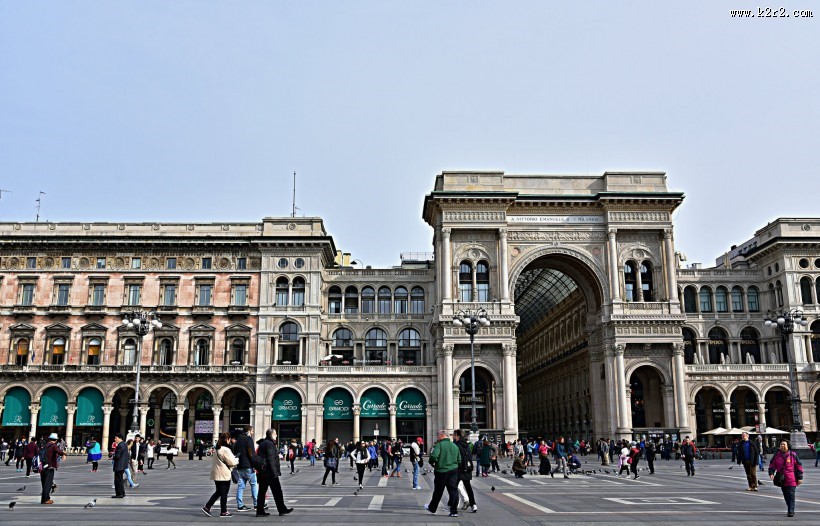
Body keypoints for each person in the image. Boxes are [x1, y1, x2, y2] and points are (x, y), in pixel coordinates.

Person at [256, 428, 292, 517]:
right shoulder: (269, 444)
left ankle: (260, 511)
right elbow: (271, 459)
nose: (276, 435)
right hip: (269, 472)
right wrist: (274, 473)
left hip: (263, 471)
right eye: (275, 434)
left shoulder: (263, 443)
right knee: (277, 491)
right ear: (271, 435)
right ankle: (282, 509)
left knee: (262, 491)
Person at [425, 429, 461, 518]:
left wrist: (433, 462)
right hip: (453, 470)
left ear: (441, 435)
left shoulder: (439, 445)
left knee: (438, 491)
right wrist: (454, 465)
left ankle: (432, 508)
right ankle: (454, 511)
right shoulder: (454, 446)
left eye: (438, 435)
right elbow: (459, 459)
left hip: (441, 471)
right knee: (453, 491)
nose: (437, 437)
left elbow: (433, 456)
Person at [202, 432, 238, 518]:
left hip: (217, 473)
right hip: (224, 474)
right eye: (229, 439)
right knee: (224, 493)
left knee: (219, 492)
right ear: (227, 439)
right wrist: (237, 459)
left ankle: (207, 507)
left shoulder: (217, 449)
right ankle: (223, 511)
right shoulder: (226, 449)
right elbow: (232, 462)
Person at [768, 439, 804, 518]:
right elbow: (772, 465)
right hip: (781, 478)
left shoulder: (793, 455)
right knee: (785, 495)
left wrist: (800, 477)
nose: (782, 446)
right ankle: (790, 508)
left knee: (791, 494)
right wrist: (771, 473)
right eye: (781, 444)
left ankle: (791, 511)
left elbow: (799, 466)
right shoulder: (777, 455)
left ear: (788, 446)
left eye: (784, 444)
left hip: (791, 477)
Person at [232, 425, 259, 512]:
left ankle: (240, 505)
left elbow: (235, 451)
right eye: (252, 431)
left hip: (240, 465)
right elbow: (251, 453)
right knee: (254, 484)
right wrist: (254, 464)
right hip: (248, 465)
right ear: (249, 431)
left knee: (241, 486)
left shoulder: (238, 439)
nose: (253, 433)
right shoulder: (248, 439)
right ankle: (256, 504)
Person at [38, 433, 65, 504]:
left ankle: (43, 499)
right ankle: (46, 499)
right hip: (49, 466)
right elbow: (58, 451)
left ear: (49, 439)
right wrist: (64, 454)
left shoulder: (45, 445)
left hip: (42, 466)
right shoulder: (53, 445)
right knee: (48, 483)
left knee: (44, 483)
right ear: (55, 440)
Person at [453, 430, 476, 512]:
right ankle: (474, 505)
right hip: (467, 468)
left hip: (459, 469)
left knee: (454, 487)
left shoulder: (456, 445)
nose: (453, 436)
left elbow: (455, 458)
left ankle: (455, 505)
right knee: (468, 487)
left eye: (454, 435)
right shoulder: (467, 445)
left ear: (457, 436)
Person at [111, 433, 129, 498]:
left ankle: (119, 494)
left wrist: (113, 456)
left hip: (119, 465)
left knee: (118, 480)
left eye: (116, 438)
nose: (115, 439)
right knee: (120, 480)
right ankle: (122, 493)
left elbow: (117, 456)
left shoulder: (120, 445)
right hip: (123, 465)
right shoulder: (124, 444)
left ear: (120, 438)